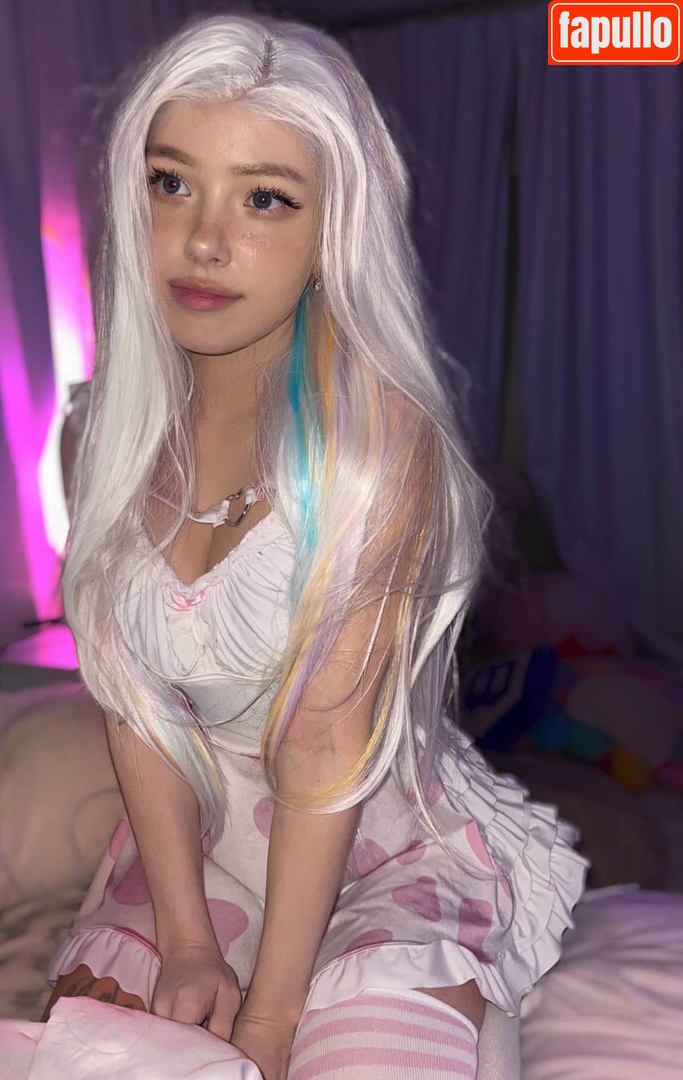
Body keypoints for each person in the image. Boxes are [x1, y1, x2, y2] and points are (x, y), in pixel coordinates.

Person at [43, 12, 587, 1080]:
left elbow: (325, 748)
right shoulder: (95, 434)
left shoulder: (377, 444)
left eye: (264, 198)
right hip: (196, 846)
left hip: (373, 839)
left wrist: (270, 1020)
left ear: (334, 230)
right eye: (170, 183)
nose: (204, 239)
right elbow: (136, 708)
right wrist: (186, 938)